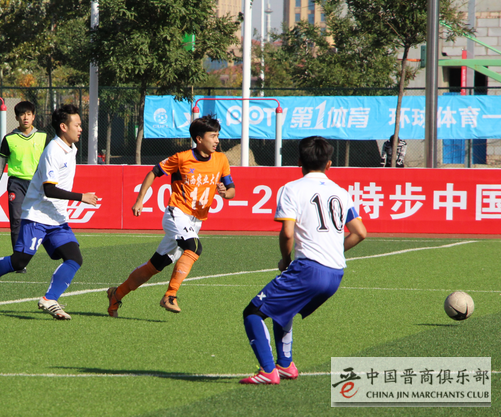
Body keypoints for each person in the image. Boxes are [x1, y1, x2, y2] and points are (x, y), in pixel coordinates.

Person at [239, 136, 367, 385]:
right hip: (335, 273)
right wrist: (334, 250)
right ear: (329, 164)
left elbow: (287, 233)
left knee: (253, 312)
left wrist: (285, 260)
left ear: (299, 161)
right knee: (284, 309)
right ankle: (285, 365)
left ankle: (268, 371)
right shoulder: (341, 192)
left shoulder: (292, 189)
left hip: (308, 269)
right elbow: (360, 232)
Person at [0, 104, 98, 320]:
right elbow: (49, 190)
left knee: (74, 258)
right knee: (19, 262)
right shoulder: (53, 150)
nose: (80, 129)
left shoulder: (71, 148)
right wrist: (81, 197)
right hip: (37, 216)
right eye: (77, 125)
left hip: (57, 218)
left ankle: (50, 299)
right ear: (63, 127)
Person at [106, 115, 235, 317]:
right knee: (194, 247)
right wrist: (140, 200)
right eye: (213, 136)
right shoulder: (182, 158)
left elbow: (232, 190)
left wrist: (225, 193)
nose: (217, 140)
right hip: (177, 213)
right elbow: (153, 172)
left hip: (196, 221)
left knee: (156, 265)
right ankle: (170, 295)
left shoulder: (221, 159)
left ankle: (117, 294)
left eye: (218, 135)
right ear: (199, 139)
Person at [0, 101, 48, 273]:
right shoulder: (9, 139)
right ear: (16, 118)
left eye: (29, 114)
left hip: (38, 185)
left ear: (33, 116)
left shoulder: (43, 137)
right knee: (16, 221)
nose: (25, 117)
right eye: (22, 114)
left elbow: (52, 161)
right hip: (16, 184)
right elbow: (0, 164)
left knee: (39, 222)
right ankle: (18, 261)